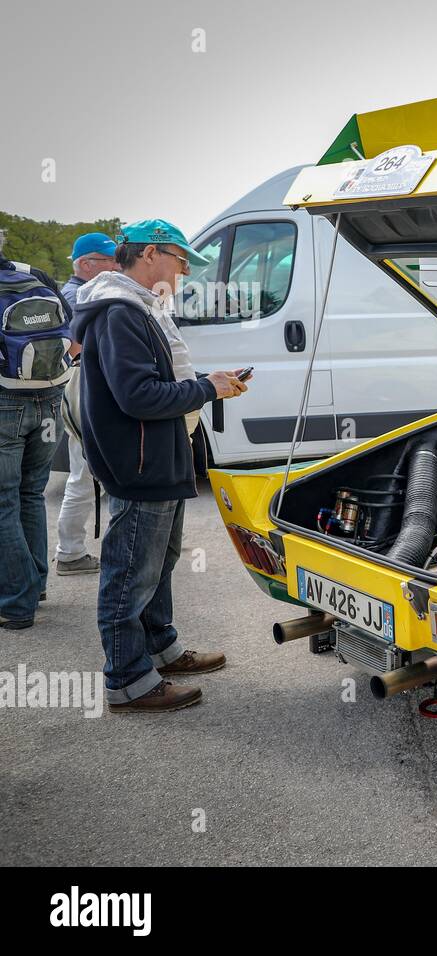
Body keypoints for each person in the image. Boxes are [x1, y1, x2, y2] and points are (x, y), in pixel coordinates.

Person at [71, 219, 251, 712]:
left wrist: (205, 383)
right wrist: (207, 388)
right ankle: (129, 682)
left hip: (157, 460)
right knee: (130, 575)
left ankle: (161, 649)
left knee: (158, 565)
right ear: (151, 253)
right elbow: (139, 396)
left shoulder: (140, 308)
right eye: (181, 259)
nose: (186, 271)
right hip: (140, 464)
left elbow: (156, 382)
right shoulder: (120, 312)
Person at [0, 229, 75, 629]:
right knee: (31, 494)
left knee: (4, 503)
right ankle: (36, 585)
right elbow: (72, 335)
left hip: (4, 402)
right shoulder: (36, 275)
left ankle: (15, 604)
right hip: (50, 398)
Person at [55, 232, 119, 577]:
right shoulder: (78, 296)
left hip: (78, 390)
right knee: (83, 475)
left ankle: (72, 550)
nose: (114, 266)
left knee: (85, 475)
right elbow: (74, 349)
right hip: (82, 389)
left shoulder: (74, 294)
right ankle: (70, 552)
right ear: (85, 264)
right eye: (108, 260)